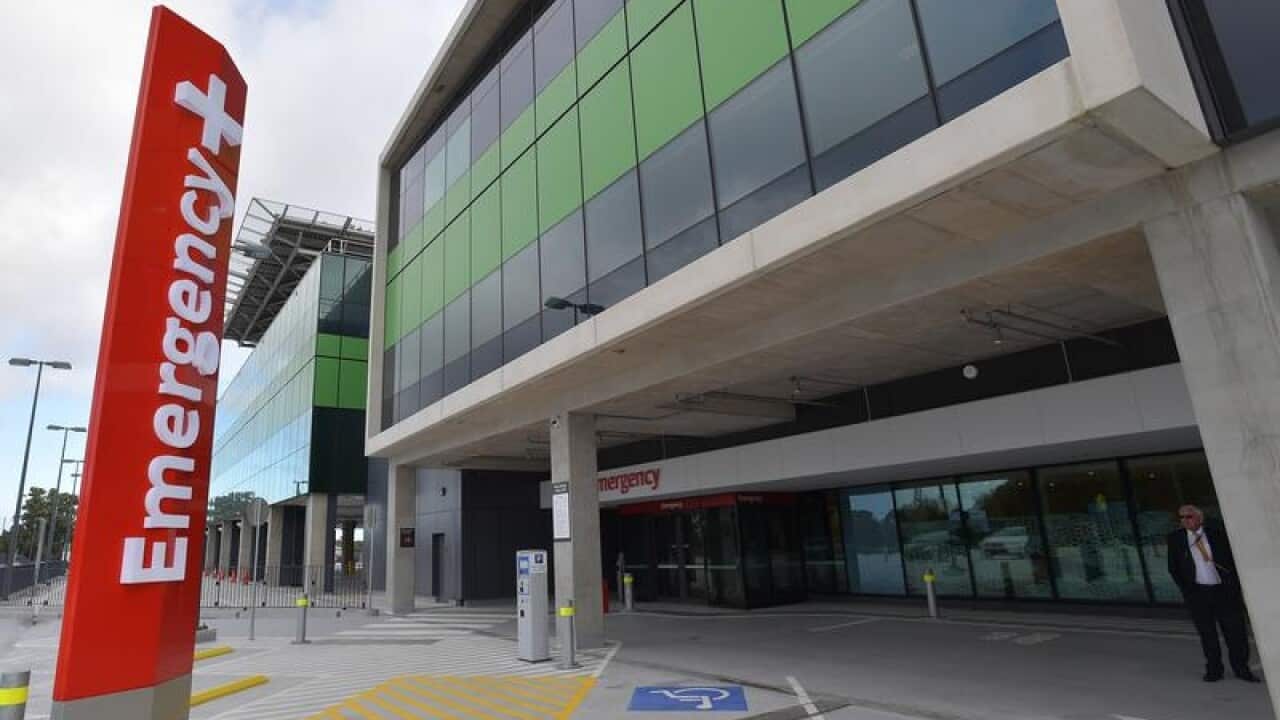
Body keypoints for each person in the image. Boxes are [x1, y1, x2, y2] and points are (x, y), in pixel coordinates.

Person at [1166, 505, 1260, 683]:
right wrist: (1188, 590)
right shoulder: (1175, 539)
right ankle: (1214, 669)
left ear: (1199, 518)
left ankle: (1241, 668)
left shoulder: (1217, 534)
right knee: (1207, 634)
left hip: (1223, 591)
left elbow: (1234, 560)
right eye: (1181, 517)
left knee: (1235, 633)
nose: (1184, 520)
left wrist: (1234, 587)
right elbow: (1173, 568)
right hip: (1198, 593)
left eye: (1189, 516)